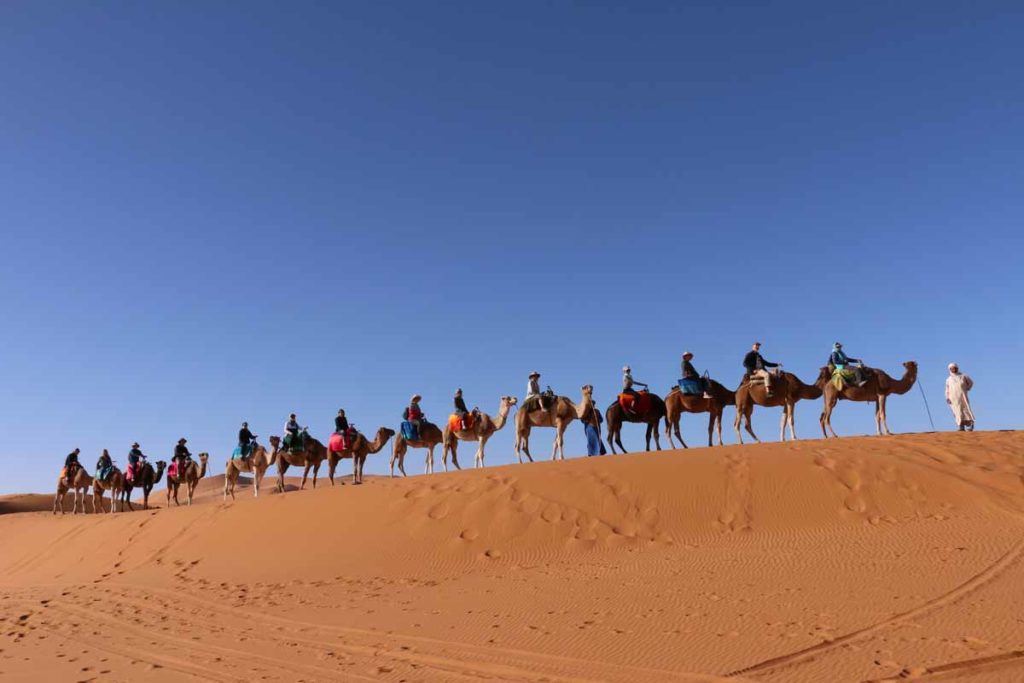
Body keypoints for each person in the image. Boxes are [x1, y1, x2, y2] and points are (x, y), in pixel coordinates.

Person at [945, 363, 975, 431]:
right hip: (953, 398)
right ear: (950, 369)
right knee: (957, 412)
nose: (954, 369)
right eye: (952, 368)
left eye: (955, 368)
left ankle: (970, 425)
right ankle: (961, 427)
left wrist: (967, 388)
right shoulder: (948, 379)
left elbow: (971, 383)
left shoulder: (963, 376)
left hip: (963, 396)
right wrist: (947, 397)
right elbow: (947, 389)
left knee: (966, 410)